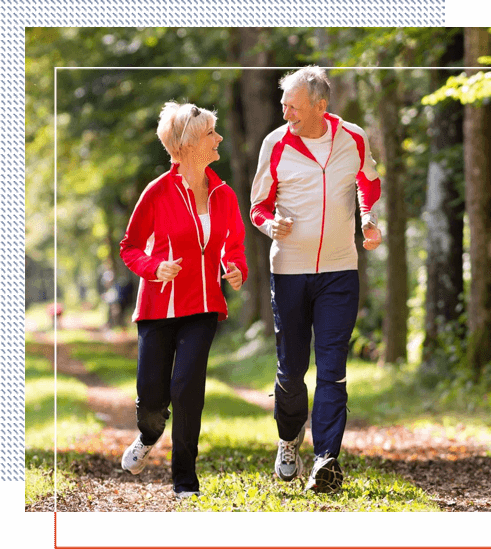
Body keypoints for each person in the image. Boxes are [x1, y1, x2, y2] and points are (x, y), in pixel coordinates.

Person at [250, 66, 382, 494]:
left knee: (333, 368)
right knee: (291, 370)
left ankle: (326, 458)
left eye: (293, 105)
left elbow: (369, 182)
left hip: (340, 271)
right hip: (289, 270)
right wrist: (271, 226)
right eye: (283, 103)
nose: (285, 111)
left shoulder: (353, 138)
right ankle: (289, 440)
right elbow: (257, 206)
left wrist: (369, 219)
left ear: (319, 107)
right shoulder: (275, 144)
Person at [120, 101, 248, 499]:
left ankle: (184, 482)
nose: (219, 138)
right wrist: (154, 267)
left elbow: (234, 245)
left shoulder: (223, 194)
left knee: (187, 387)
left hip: (204, 305)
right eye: (211, 132)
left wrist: (235, 268)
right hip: (158, 308)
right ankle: (148, 434)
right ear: (190, 142)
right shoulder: (157, 192)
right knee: (153, 398)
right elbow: (130, 246)